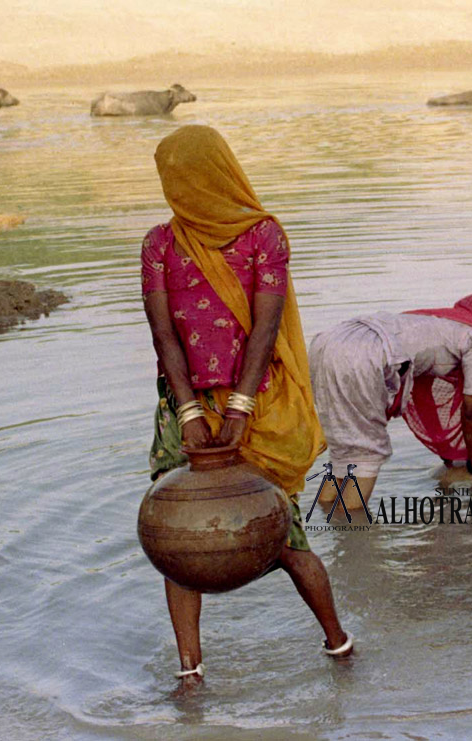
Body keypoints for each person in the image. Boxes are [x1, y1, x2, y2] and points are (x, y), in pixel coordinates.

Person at [141, 125, 351, 690]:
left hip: (255, 405)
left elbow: (266, 328)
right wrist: (190, 412)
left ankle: (339, 644)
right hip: (187, 409)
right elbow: (164, 336)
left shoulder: (264, 236)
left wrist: (237, 408)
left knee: (283, 537)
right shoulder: (160, 243)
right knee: (175, 537)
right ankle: (190, 672)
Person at [308, 291, 472, 509]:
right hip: (366, 355)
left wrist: (451, 456)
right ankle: (350, 532)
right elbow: (471, 411)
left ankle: (324, 517)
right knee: (366, 454)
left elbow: (427, 401)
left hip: (328, 342)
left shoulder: (436, 321)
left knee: (345, 449)